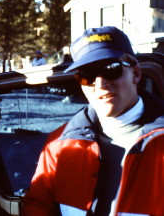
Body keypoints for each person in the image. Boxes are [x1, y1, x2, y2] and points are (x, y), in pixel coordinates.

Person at [23, 26, 164, 215]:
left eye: (111, 69)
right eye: (87, 76)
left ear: (136, 74)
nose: (100, 84)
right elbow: (38, 204)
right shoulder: (58, 144)